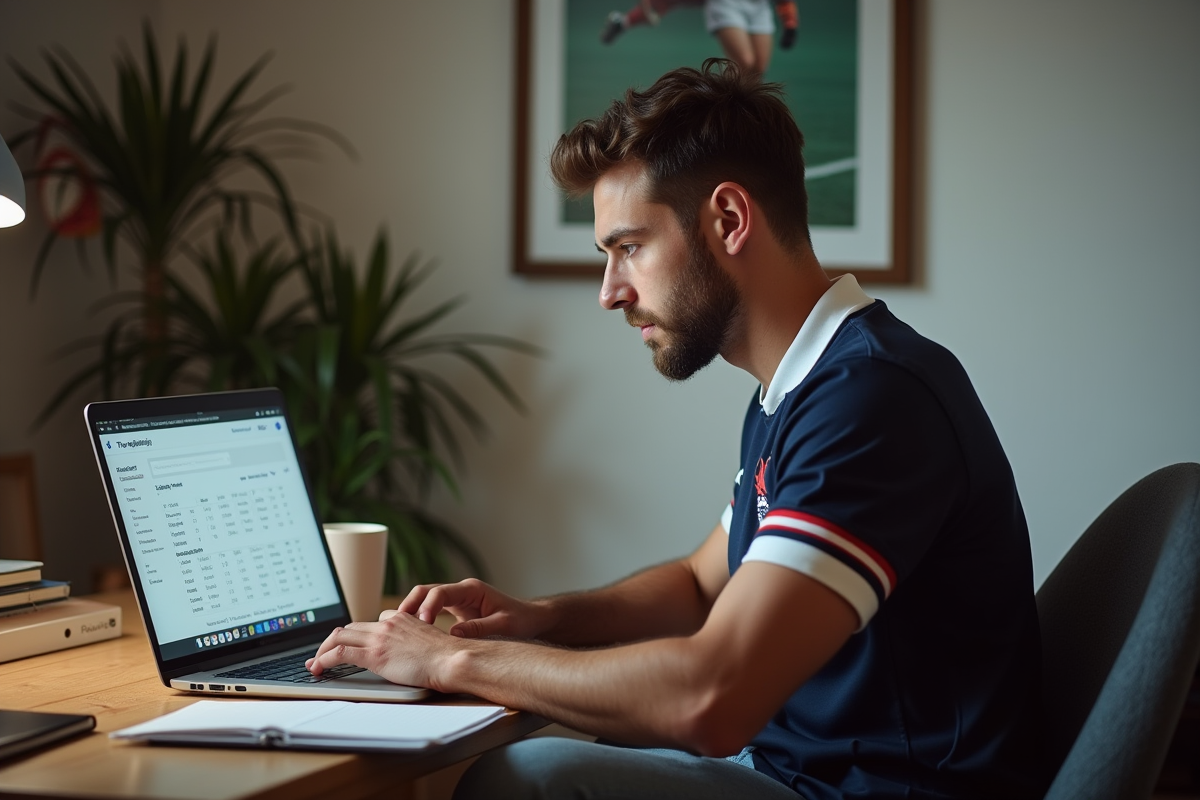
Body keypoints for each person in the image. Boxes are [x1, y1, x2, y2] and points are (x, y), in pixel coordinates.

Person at [307, 59, 1048, 800]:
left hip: (868, 793)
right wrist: (538, 620)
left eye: (628, 247)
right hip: (794, 773)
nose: (609, 293)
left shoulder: (872, 397)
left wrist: (448, 662)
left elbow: (711, 699)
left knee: (530, 778)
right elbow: (702, 583)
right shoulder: (798, 389)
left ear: (729, 220)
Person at [602, 0, 799, 77]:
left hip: (759, 6)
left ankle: (747, 116)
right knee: (745, 63)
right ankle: (728, 113)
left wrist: (790, 24)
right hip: (726, 4)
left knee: (758, 69)